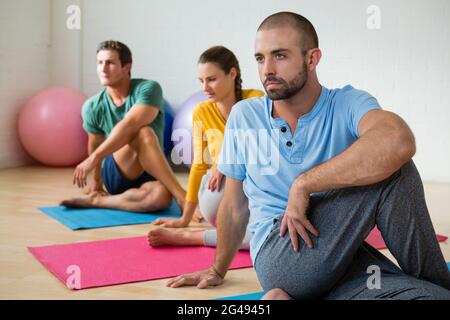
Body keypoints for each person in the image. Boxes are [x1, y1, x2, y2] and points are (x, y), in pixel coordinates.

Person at [164, 12, 450, 300]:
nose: (267, 69)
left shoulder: (347, 102)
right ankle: (439, 280)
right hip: (283, 253)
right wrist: (217, 270)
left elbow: (398, 138)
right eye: (261, 58)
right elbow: (234, 206)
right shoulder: (245, 115)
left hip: (342, 259)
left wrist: (304, 184)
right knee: (397, 169)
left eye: (280, 56)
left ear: (312, 59)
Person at [148, 46, 264, 249]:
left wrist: (224, 160)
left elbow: (260, 148)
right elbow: (199, 165)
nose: (204, 87)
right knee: (262, 233)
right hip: (217, 197)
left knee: (267, 235)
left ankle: (197, 238)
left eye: (211, 79)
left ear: (232, 74)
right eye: (201, 81)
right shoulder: (201, 111)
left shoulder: (255, 100)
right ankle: (191, 235)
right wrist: (185, 219)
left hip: (253, 191)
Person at [61, 40, 186, 212]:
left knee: (160, 198)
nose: (103, 69)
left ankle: (98, 202)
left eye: (110, 63)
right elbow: (95, 142)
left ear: (127, 67)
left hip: (152, 171)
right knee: (144, 133)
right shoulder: (92, 106)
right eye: (100, 63)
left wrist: (93, 159)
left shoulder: (149, 89)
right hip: (118, 172)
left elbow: (130, 124)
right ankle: (183, 197)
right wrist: (97, 183)